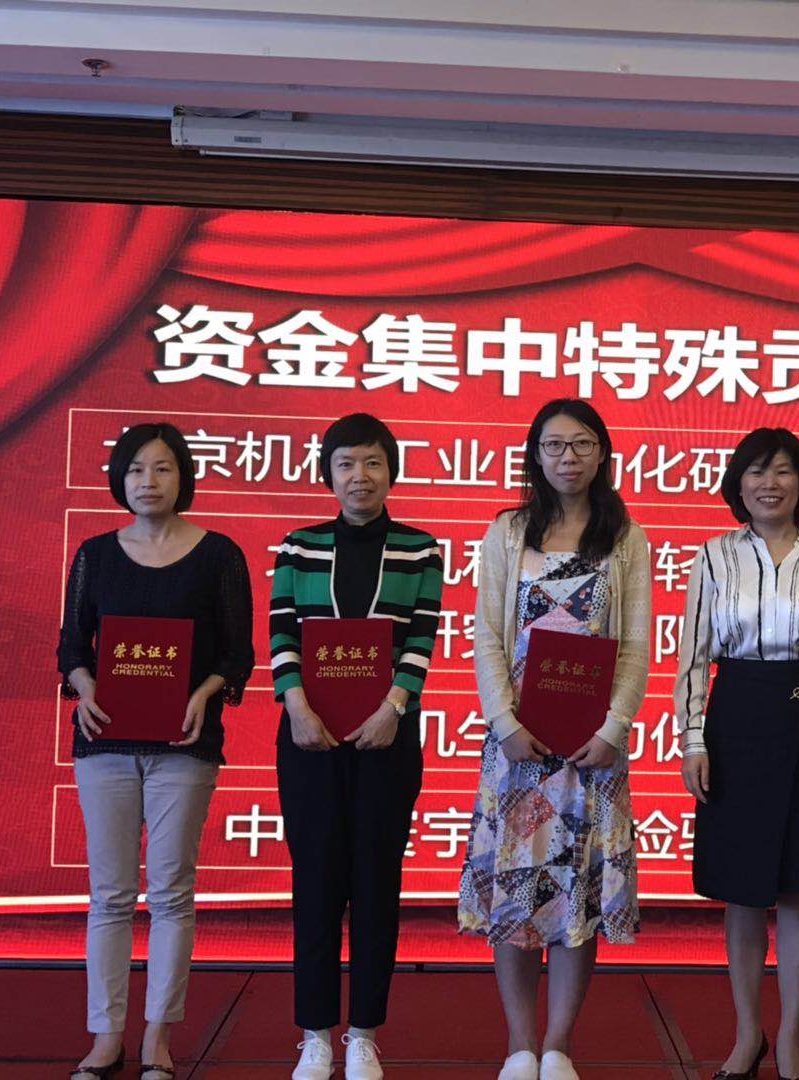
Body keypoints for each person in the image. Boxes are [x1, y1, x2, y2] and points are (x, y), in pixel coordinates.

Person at [459, 399, 651, 1080]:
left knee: (577, 892)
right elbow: (486, 634)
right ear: (535, 455)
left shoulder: (625, 537)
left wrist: (613, 728)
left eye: (582, 444)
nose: (568, 457)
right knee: (517, 887)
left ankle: (559, 1046)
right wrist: (505, 724)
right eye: (554, 445)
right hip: (520, 746)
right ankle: (519, 1044)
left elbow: (634, 645)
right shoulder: (508, 531)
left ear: (602, 453)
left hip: (591, 749)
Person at [58, 422, 254, 1080]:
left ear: (183, 477)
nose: (149, 481)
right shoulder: (94, 556)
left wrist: (206, 692)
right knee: (110, 895)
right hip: (105, 743)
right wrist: (84, 686)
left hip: (184, 746)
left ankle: (157, 1040)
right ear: (120, 479)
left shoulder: (219, 555)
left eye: (163, 468)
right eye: (136, 469)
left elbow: (238, 652)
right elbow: (72, 646)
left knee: (171, 893)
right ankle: (105, 1036)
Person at [674, 427, 799, 1080]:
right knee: (741, 888)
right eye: (757, 471)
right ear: (739, 483)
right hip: (737, 720)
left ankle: (790, 1038)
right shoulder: (714, 556)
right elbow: (693, 658)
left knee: (798, 886)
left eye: (783, 470)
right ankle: (746, 1034)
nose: (770, 483)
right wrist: (693, 740)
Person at [270, 413, 444, 1080]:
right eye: (345, 463)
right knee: (315, 883)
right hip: (308, 738)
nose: (359, 476)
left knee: (376, 885)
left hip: (386, 738)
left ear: (390, 471)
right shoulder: (299, 546)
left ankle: (364, 1033)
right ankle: (315, 1033)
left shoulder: (420, 549)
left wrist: (393, 707)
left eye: (372, 462)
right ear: (328, 474)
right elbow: (282, 631)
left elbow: (421, 636)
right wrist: (297, 707)